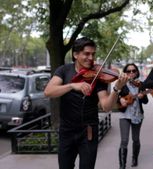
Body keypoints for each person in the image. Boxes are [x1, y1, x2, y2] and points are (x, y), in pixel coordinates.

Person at [44, 37, 128, 169]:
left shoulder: (98, 76)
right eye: (86, 54)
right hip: (67, 131)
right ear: (75, 54)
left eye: (93, 54)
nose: (91, 58)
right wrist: (72, 86)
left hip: (88, 131)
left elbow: (106, 106)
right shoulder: (64, 70)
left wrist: (117, 88)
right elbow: (48, 91)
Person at [117, 63, 149, 169]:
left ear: (136, 72)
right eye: (128, 71)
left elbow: (146, 101)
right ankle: (122, 165)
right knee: (124, 140)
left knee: (135, 139)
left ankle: (135, 158)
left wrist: (142, 96)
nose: (131, 73)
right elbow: (115, 96)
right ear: (125, 72)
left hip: (137, 115)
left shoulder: (141, 84)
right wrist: (120, 99)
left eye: (133, 71)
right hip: (124, 114)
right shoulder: (121, 83)